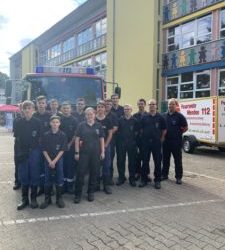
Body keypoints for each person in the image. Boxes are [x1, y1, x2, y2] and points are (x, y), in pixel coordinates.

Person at [74, 107, 104, 203]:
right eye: (88, 114)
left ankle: (90, 192)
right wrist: (77, 152)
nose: (89, 116)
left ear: (94, 115)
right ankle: (78, 194)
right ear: (85, 116)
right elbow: (77, 139)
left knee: (94, 173)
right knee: (80, 173)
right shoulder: (81, 125)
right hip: (83, 153)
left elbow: (101, 139)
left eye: (91, 114)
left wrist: (103, 151)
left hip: (95, 153)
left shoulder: (98, 125)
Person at [14, 101, 41, 210]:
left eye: (29, 108)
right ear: (22, 110)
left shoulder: (37, 122)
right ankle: (24, 199)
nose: (27, 110)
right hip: (22, 152)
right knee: (24, 175)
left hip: (34, 152)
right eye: (25, 108)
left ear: (33, 109)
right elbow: (17, 139)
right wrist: (19, 153)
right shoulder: (18, 122)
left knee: (34, 174)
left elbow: (40, 138)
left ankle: (33, 198)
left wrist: (36, 150)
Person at [40, 116, 67, 209]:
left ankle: (59, 198)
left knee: (59, 178)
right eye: (53, 122)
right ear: (50, 123)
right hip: (48, 160)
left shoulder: (63, 135)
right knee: (47, 179)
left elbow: (62, 150)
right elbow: (44, 149)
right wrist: (49, 161)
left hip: (58, 160)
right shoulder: (46, 135)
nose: (55, 124)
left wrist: (54, 161)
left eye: (57, 122)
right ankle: (47, 199)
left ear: (59, 124)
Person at [139, 99, 167, 189]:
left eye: (153, 104)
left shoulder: (161, 117)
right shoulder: (144, 117)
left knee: (157, 162)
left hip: (156, 143)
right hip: (146, 143)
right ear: (148, 106)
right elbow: (141, 129)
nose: (151, 106)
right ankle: (144, 179)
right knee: (145, 161)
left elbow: (164, 129)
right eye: (150, 104)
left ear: (156, 106)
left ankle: (157, 180)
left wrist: (162, 138)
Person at [162, 98, 188, 185]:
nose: (171, 106)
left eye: (172, 104)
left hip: (176, 142)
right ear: (167, 105)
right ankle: (164, 175)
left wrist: (179, 133)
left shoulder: (180, 116)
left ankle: (178, 177)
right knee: (165, 160)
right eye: (169, 104)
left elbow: (185, 127)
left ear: (176, 106)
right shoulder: (164, 116)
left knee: (177, 160)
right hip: (165, 142)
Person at [117, 104, 139, 187]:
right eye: (125, 109)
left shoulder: (135, 120)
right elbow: (117, 131)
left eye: (128, 109)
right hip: (121, 144)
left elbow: (137, 132)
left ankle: (132, 178)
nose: (126, 110)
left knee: (132, 162)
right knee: (120, 161)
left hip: (132, 144)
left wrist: (134, 141)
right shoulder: (120, 120)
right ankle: (121, 178)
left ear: (131, 110)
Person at [33, 95, 51, 196]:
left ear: (46, 104)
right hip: (37, 146)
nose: (41, 104)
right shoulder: (34, 115)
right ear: (37, 104)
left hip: (48, 145)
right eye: (39, 103)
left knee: (49, 166)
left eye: (43, 103)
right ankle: (41, 187)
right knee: (39, 166)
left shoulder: (49, 115)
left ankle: (49, 187)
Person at [60, 102, 78, 194]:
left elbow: (76, 134)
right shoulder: (59, 119)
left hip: (71, 147)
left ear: (70, 109)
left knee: (70, 166)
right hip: (61, 147)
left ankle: (70, 186)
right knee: (62, 166)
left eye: (67, 108)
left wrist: (70, 144)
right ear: (62, 109)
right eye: (64, 108)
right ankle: (63, 186)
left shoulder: (74, 120)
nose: (66, 110)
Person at [96, 100, 113, 194]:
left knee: (106, 166)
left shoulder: (108, 120)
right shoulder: (93, 119)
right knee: (96, 166)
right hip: (95, 148)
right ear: (96, 109)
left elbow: (110, 134)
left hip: (106, 146)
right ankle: (97, 185)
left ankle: (106, 186)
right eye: (98, 107)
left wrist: (105, 145)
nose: (100, 109)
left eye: (102, 107)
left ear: (104, 108)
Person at [109, 94, 124, 184]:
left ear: (118, 99)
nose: (114, 100)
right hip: (111, 137)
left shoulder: (122, 109)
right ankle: (109, 177)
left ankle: (121, 177)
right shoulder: (108, 110)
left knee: (120, 158)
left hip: (120, 138)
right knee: (110, 157)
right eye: (113, 99)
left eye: (116, 98)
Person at [133, 98, 148, 181]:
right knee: (137, 157)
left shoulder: (148, 115)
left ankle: (146, 173)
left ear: (145, 105)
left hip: (146, 140)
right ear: (137, 105)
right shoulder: (134, 116)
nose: (140, 105)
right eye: (139, 104)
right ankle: (137, 173)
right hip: (137, 140)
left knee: (146, 157)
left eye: (142, 104)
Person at [105, 98, 119, 184]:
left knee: (109, 160)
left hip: (110, 141)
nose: (108, 106)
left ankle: (109, 178)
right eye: (106, 104)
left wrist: (107, 134)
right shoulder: (99, 114)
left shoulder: (114, 115)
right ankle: (99, 178)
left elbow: (115, 128)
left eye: (109, 105)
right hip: (98, 142)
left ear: (111, 106)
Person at [12, 104, 23, 190]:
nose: (23, 109)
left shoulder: (33, 119)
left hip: (29, 146)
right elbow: (16, 134)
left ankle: (26, 181)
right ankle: (18, 182)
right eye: (22, 107)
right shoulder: (16, 120)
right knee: (18, 163)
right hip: (19, 145)